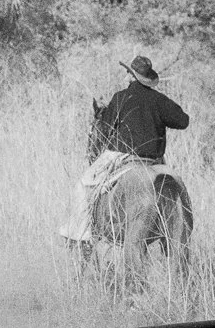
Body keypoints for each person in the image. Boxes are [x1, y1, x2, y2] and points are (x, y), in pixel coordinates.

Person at [58, 55, 189, 243]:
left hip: (123, 156)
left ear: (130, 75)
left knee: (83, 183)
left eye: (127, 72)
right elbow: (183, 121)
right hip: (155, 161)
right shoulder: (160, 100)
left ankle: (80, 233)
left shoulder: (121, 97)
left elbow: (104, 129)